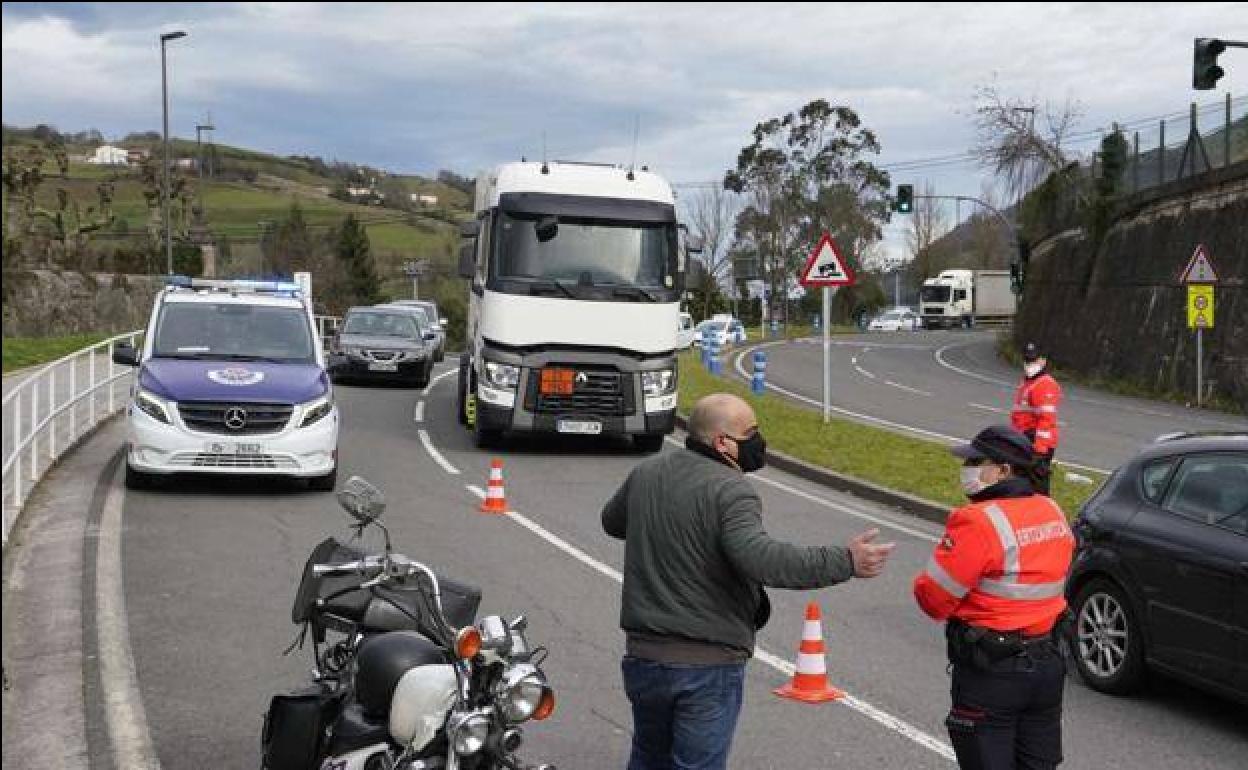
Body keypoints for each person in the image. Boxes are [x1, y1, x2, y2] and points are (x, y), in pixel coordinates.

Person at [602, 393, 895, 770]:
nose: (759, 442)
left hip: (644, 656)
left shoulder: (646, 474)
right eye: (751, 433)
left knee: (648, 757)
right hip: (706, 663)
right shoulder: (730, 489)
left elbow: (612, 522)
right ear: (722, 442)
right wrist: (845, 560)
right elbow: (761, 559)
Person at [913, 425, 1075, 770]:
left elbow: (933, 599)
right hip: (1047, 665)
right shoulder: (1052, 510)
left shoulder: (977, 521)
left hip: (994, 673)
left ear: (1003, 470)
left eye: (975, 461)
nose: (967, 469)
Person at [1010, 342, 1062, 495]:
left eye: (1033, 360)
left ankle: (1042, 515)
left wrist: (1039, 450)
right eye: (1027, 360)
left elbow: (1046, 420)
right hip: (1025, 440)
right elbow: (1019, 416)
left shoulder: (1045, 384)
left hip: (1037, 443)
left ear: (1043, 361)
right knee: (1023, 485)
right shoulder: (1027, 383)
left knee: (1037, 487)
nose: (1029, 364)